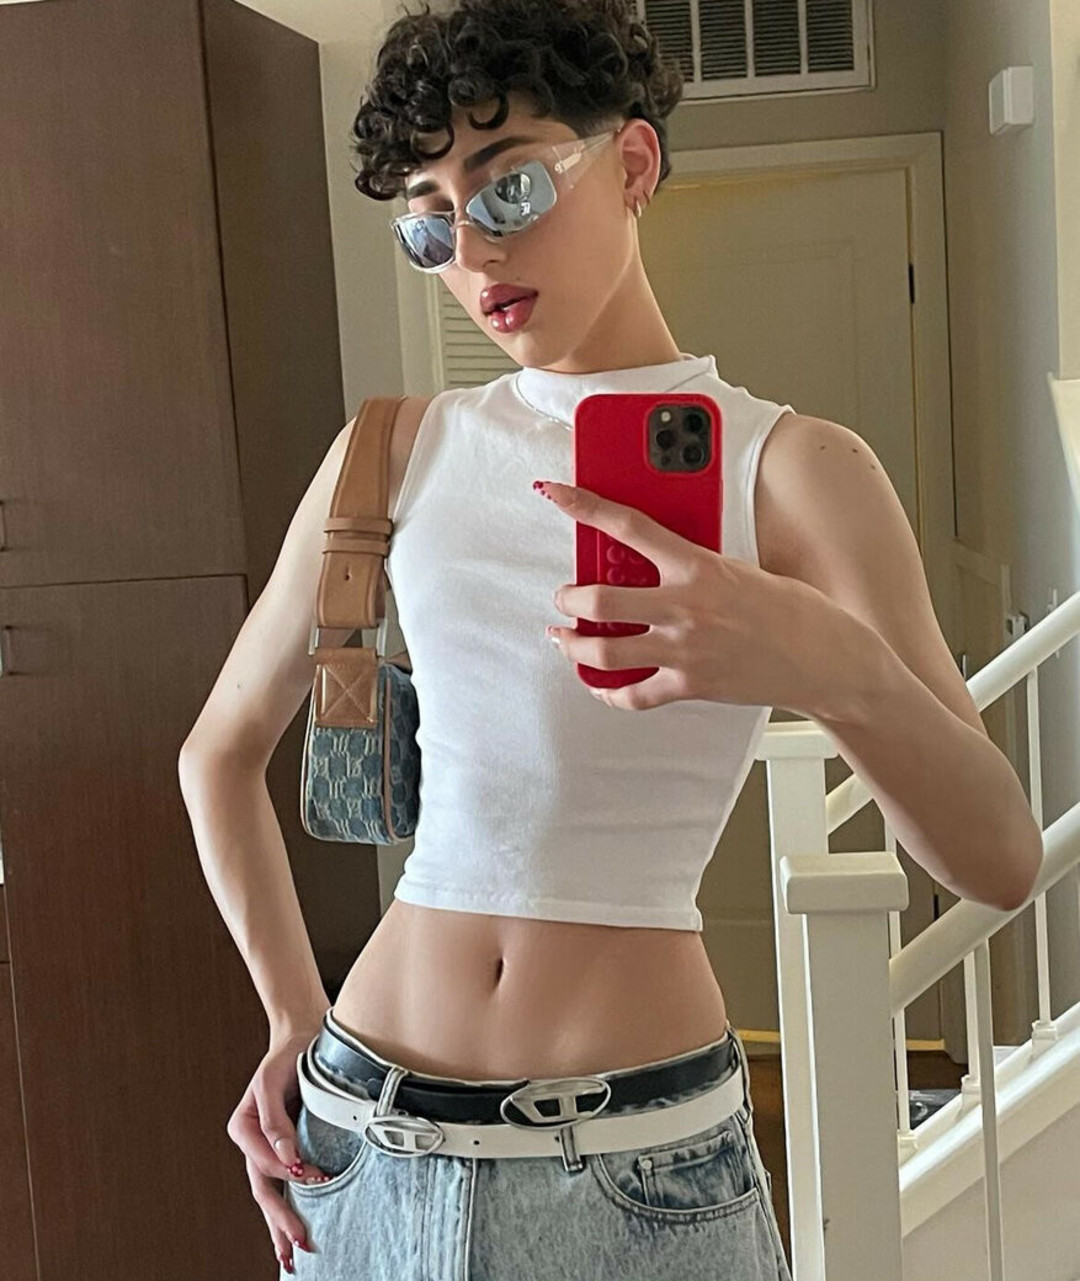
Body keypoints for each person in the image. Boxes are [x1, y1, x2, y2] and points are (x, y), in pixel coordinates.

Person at [180, 1, 801, 1276]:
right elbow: (217, 753)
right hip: (357, 1137)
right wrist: (294, 1014)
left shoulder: (789, 468)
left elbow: (997, 856)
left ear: (632, 164)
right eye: (429, 218)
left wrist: (817, 660)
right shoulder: (392, 450)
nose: (470, 249)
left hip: (638, 1168)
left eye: (507, 187)